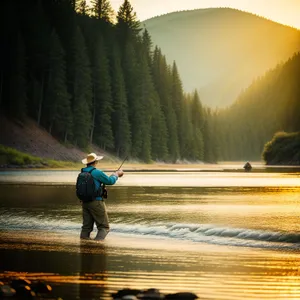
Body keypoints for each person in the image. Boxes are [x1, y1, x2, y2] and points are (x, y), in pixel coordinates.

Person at [80, 153, 124, 241]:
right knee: (104, 227)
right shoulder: (96, 172)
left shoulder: (83, 172)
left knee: (86, 227)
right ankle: (97, 245)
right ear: (95, 162)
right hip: (96, 202)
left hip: (85, 202)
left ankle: (84, 244)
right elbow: (110, 181)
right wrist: (116, 174)